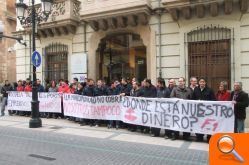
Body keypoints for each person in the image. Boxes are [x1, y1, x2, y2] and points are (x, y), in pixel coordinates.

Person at [192, 77, 216, 142]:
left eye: (203, 82)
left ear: (205, 83)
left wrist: (206, 102)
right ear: (199, 83)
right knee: (199, 124)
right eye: (200, 82)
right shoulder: (196, 89)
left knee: (208, 124)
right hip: (199, 112)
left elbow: (214, 100)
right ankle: (199, 137)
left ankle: (209, 138)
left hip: (207, 112)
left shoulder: (210, 90)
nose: (202, 83)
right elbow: (192, 99)